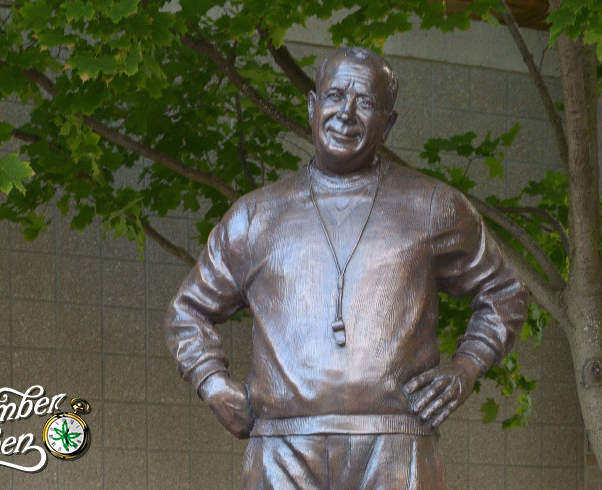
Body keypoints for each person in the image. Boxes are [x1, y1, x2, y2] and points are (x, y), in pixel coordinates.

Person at [165, 46, 527, 489]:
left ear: (388, 123)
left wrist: (467, 366)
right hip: (283, 447)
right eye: (335, 96)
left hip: (396, 445)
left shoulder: (434, 206)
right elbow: (188, 310)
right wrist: (212, 382)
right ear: (313, 106)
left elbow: (504, 292)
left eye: (367, 102)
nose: (346, 113)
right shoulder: (255, 217)